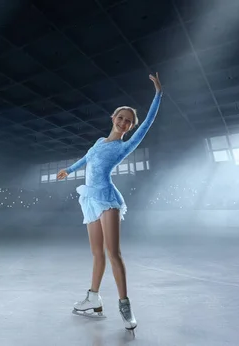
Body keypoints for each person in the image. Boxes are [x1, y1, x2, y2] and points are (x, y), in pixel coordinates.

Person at [57, 73, 162, 330]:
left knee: (113, 253)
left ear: (130, 127)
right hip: (89, 199)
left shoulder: (124, 147)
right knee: (96, 253)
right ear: (112, 118)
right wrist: (68, 170)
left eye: (128, 121)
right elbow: (86, 159)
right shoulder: (98, 142)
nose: (124, 122)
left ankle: (125, 305)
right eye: (121, 118)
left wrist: (158, 94)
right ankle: (93, 298)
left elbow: (147, 123)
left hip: (107, 198)